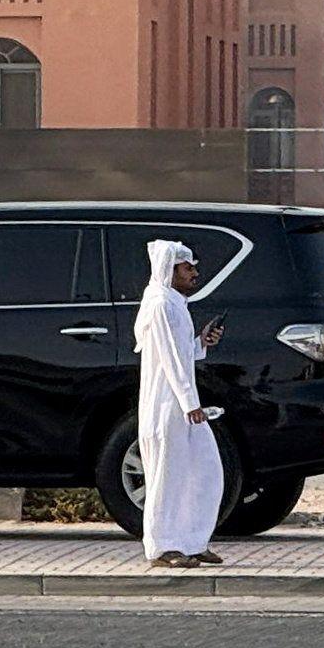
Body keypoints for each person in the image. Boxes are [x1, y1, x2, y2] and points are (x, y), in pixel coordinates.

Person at [135, 240, 225, 569]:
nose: (194, 274)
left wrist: (201, 342)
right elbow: (170, 361)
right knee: (167, 476)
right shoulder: (160, 304)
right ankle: (161, 546)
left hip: (183, 407)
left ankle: (192, 540)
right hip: (168, 407)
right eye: (188, 268)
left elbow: (182, 352)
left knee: (204, 470)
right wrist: (190, 403)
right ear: (170, 270)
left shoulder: (175, 304)